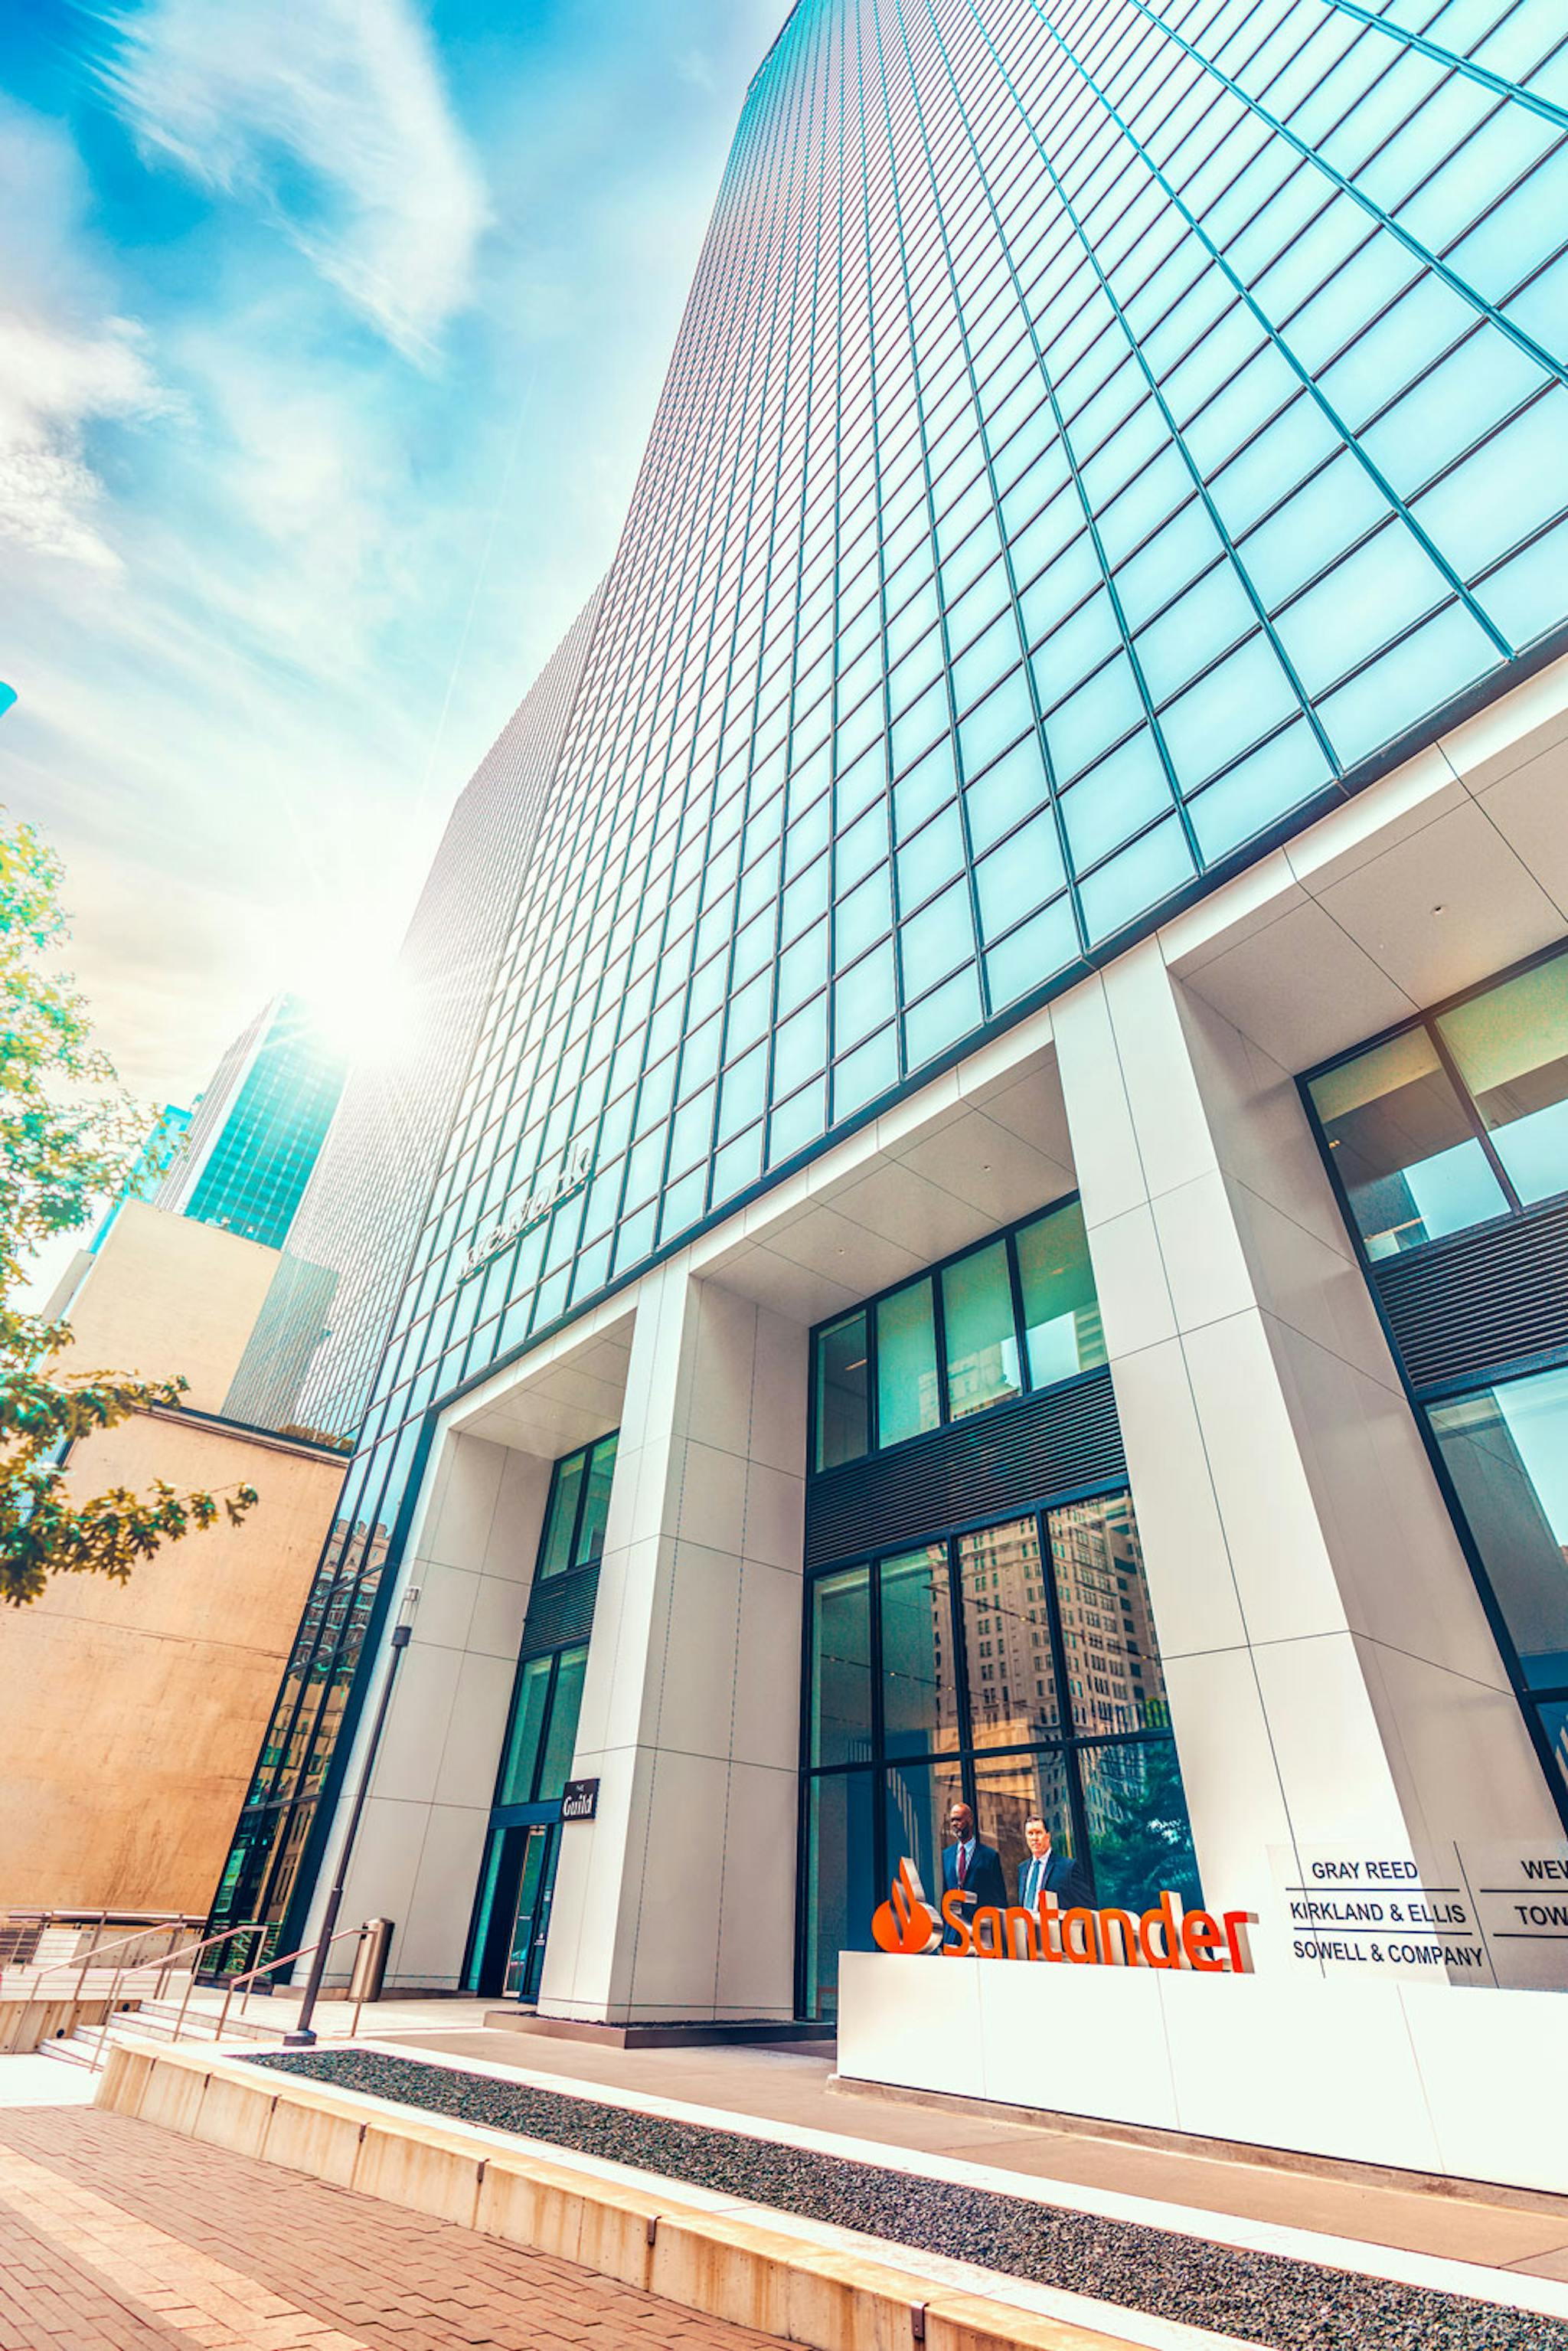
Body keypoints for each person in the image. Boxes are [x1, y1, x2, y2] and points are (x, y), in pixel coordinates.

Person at [941, 1800, 1007, 1944]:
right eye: (951, 1820)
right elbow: (945, 1894)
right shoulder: (946, 1855)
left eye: (958, 1819)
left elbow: (999, 1898)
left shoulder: (989, 1856)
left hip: (981, 1933)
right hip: (953, 1934)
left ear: (969, 1820)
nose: (954, 1824)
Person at [1016, 1813, 1088, 1910]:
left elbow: (1086, 1908)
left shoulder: (1067, 1868)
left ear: (1048, 1836)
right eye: (1030, 1833)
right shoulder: (1022, 1869)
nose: (1034, 1838)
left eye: (1038, 1833)